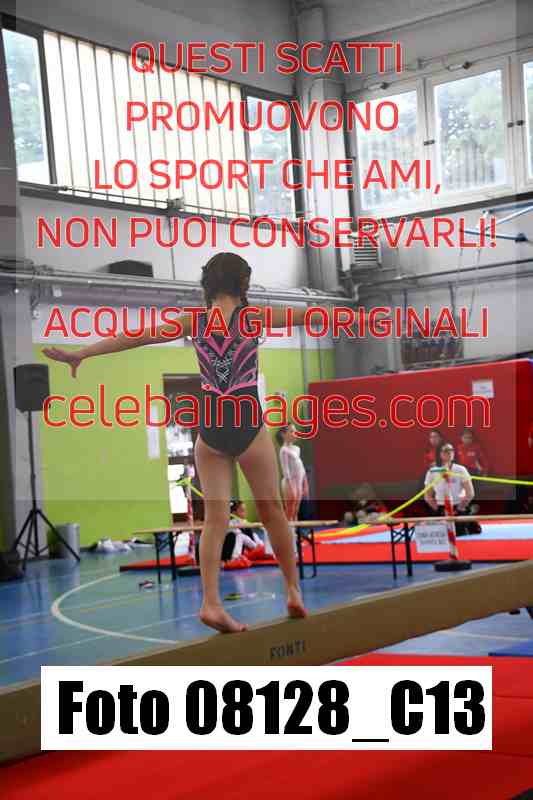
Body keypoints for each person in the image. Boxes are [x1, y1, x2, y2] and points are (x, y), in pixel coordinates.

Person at [43, 251, 310, 633]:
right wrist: (368, 319)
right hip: (247, 425)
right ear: (244, 283)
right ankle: (292, 590)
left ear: (208, 285)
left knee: (215, 520)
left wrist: (81, 353)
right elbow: (313, 316)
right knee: (272, 513)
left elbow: (133, 337)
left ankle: (211, 603)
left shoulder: (193, 321)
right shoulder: (253, 318)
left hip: (211, 431)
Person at [424, 443, 480, 535]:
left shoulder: (461, 469)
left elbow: (470, 494)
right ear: (439, 454)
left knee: (459, 532)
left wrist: (458, 509)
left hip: (458, 507)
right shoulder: (432, 471)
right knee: (440, 534)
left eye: (451, 450)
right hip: (441, 507)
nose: (450, 453)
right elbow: (428, 496)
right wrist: (439, 510)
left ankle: (468, 517)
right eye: (446, 451)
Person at [277, 423, 309, 524]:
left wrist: (305, 484)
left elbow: (301, 468)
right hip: (289, 482)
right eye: (291, 431)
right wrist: (290, 487)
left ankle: (294, 531)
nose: (294, 433)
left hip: (298, 482)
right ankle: (288, 530)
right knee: (290, 510)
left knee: (296, 510)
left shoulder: (296, 449)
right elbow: (285, 470)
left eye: (295, 431)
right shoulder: (283, 450)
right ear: (283, 434)